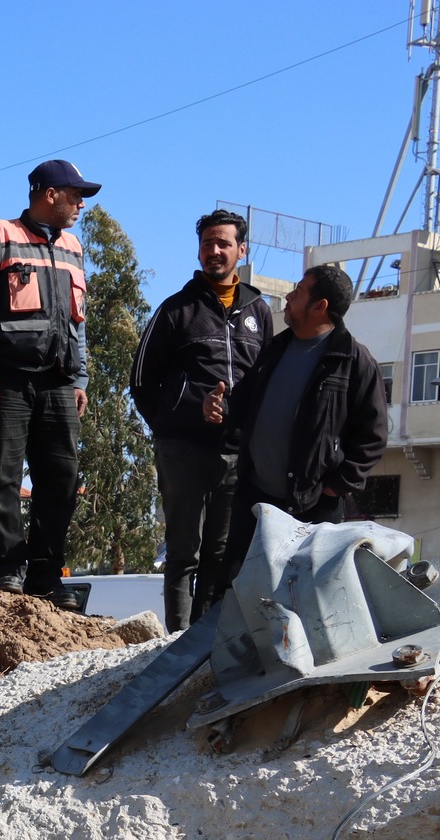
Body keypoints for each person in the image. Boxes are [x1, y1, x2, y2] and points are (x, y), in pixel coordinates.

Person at [0, 159, 101, 602]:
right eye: (75, 195)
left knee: (61, 479)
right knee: (3, 477)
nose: (81, 204)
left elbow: (77, 321)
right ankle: (9, 570)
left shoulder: (73, 247)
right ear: (49, 194)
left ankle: (45, 574)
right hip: (7, 379)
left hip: (59, 382)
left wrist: (80, 378)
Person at [130, 208, 278, 631]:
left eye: (223, 243)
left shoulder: (260, 312)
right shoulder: (176, 310)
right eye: (207, 243)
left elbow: (266, 381)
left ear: (241, 250)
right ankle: (176, 642)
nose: (214, 251)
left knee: (221, 555)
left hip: (236, 455)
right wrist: (187, 417)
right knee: (183, 554)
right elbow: (141, 383)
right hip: (183, 452)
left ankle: (205, 645)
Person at [202, 262, 386, 593]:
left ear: (319, 306)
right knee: (236, 592)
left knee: (300, 597)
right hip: (255, 500)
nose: (288, 296)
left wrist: (336, 485)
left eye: (299, 292)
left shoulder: (354, 362)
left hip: (313, 509)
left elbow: (373, 436)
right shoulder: (275, 349)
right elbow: (242, 403)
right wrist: (220, 408)